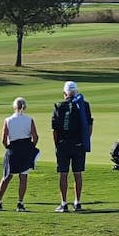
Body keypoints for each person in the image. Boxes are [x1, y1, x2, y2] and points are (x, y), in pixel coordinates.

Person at [51, 81, 93, 212]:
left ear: (64, 93)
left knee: (63, 174)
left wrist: (57, 145)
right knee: (77, 173)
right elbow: (89, 126)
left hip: (63, 145)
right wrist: (85, 140)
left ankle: (64, 204)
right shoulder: (84, 105)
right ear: (76, 92)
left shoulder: (59, 106)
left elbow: (54, 129)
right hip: (78, 145)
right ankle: (77, 202)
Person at [0, 97, 39, 212]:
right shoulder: (29, 120)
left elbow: (4, 139)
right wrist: (31, 147)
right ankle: (20, 203)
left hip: (13, 148)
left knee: (7, 176)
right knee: (23, 177)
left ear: (14, 107)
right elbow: (35, 137)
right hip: (25, 148)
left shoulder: (8, 120)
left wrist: (8, 147)